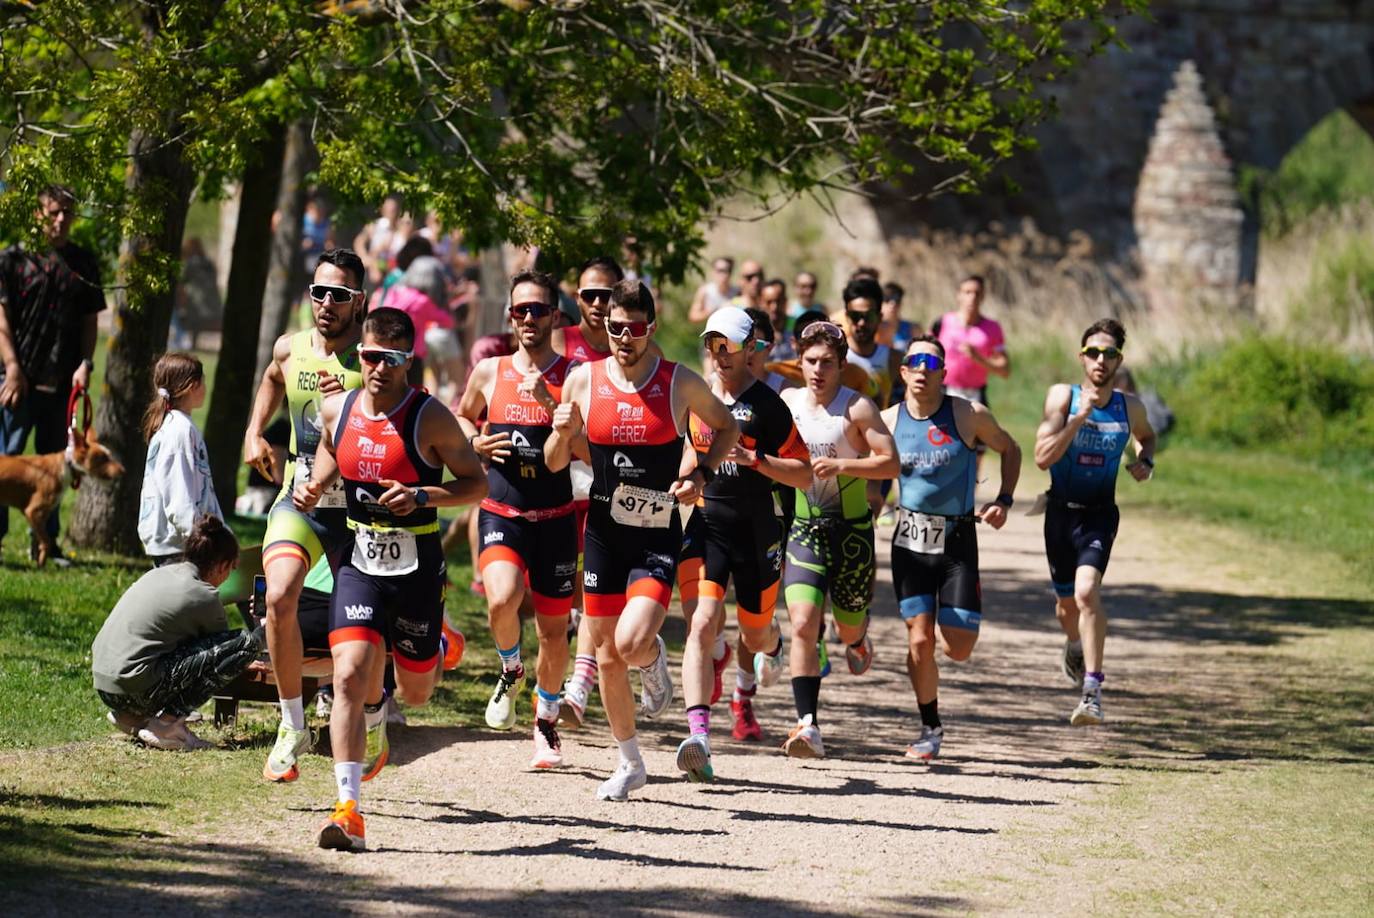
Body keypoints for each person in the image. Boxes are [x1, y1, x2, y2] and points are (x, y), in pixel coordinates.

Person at [295, 306, 487, 851]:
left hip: (417, 566)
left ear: (408, 361)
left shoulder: (430, 417)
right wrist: (316, 482)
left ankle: (410, 674)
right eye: (371, 356)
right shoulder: (339, 407)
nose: (378, 368)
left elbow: (477, 485)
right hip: (358, 559)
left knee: (418, 691)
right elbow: (335, 448)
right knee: (350, 674)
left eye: (392, 359)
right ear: (361, 354)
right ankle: (348, 809)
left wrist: (423, 495)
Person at [545, 280, 739, 801]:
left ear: (650, 329)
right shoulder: (583, 381)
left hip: (656, 530)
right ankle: (630, 762)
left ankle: (652, 663)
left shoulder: (678, 383)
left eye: (634, 329)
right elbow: (554, 463)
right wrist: (562, 431)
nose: (624, 338)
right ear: (604, 327)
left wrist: (700, 477)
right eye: (615, 328)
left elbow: (727, 428)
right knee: (606, 654)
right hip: (605, 532)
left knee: (630, 642)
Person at [242, 248, 365, 784]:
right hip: (299, 499)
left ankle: (376, 712)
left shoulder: (373, 362)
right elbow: (272, 377)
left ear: (359, 302)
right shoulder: (290, 349)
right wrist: (254, 431)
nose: (327, 303)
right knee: (277, 596)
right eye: (320, 292)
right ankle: (292, 723)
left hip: (358, 511)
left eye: (340, 295)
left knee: (361, 631)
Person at [675, 307, 811, 780]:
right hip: (708, 525)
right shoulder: (696, 397)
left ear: (749, 348)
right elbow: (690, 452)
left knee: (755, 634)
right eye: (712, 344)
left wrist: (756, 460)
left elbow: (806, 473)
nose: (719, 355)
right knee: (701, 625)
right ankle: (699, 737)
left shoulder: (769, 406)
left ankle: (771, 646)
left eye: (728, 345)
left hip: (757, 531)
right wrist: (688, 479)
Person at [456, 270, 578, 768]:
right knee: (501, 599)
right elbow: (463, 416)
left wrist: (554, 407)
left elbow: (582, 450)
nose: (528, 318)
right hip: (502, 509)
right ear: (509, 316)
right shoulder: (490, 370)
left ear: (555, 316)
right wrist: (474, 442)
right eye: (519, 310)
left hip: (555, 516)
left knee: (553, 632)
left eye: (538, 310)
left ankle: (545, 724)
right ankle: (510, 667)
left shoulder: (574, 375)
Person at [880, 336, 1021, 761]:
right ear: (902, 371)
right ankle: (930, 726)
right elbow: (868, 468)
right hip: (909, 539)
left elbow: (1010, 448)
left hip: (958, 541)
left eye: (932, 362)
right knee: (919, 641)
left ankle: (943, 634)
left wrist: (1004, 500)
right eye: (914, 361)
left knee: (958, 648)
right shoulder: (887, 421)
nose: (922, 369)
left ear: (944, 372)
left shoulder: (967, 414)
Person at [778, 321, 898, 758]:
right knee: (803, 624)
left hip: (851, 534)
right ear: (799, 360)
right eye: (810, 361)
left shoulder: (858, 408)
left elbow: (891, 464)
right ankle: (807, 725)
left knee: (847, 627)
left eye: (827, 362)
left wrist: (846, 467)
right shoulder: (787, 403)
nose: (818, 370)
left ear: (842, 364)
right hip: (804, 529)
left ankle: (857, 637)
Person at [1033, 318, 1156, 727]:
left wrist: (1145, 460)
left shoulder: (1129, 406)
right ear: (1081, 357)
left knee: (1087, 594)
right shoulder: (1061, 398)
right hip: (1059, 515)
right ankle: (1073, 644)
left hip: (1100, 515)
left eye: (1109, 354)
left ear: (1119, 359)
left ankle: (1092, 691)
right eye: (1093, 352)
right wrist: (1078, 417)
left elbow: (1147, 436)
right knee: (1066, 605)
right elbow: (1042, 457)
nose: (1100, 360)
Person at [0, 184, 104, 565]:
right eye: (54, 212)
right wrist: (12, 368)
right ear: (38, 214)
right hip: (17, 382)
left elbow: (91, 320)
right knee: (6, 461)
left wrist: (86, 363)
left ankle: (47, 543)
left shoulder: (83, 263)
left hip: (62, 384)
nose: (61, 219)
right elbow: (1, 320)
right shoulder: (12, 259)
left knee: (58, 469)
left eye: (67, 213)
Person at [93, 516, 261, 751]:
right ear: (223, 566)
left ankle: (131, 717)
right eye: (232, 569)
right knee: (246, 644)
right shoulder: (203, 595)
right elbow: (224, 658)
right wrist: (262, 626)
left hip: (105, 687)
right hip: (136, 689)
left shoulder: (158, 574)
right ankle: (167, 724)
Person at [138, 353, 221, 565]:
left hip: (179, 543)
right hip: (180, 546)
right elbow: (179, 496)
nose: (205, 387)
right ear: (193, 385)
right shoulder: (180, 431)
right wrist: (200, 539)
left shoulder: (178, 426)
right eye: (203, 381)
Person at [933, 275, 1010, 413]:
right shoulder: (942, 322)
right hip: (944, 391)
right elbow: (926, 352)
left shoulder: (992, 328)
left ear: (983, 297)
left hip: (976, 396)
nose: (972, 297)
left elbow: (1005, 370)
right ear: (959, 295)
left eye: (977, 293)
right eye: (967, 292)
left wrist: (978, 358)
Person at [840, 277, 900, 409]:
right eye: (855, 316)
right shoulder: (834, 359)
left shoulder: (894, 360)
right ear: (846, 317)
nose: (861, 323)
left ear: (879, 317)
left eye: (869, 316)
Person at [687, 256, 737, 323]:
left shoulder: (737, 292)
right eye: (720, 270)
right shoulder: (705, 291)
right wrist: (712, 311)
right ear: (713, 272)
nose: (724, 274)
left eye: (728, 270)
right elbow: (693, 316)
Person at [878, 282, 919, 353]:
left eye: (897, 300)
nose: (892, 304)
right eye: (887, 299)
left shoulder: (913, 329)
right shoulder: (875, 329)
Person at [759, 278, 795, 361]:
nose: (774, 307)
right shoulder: (756, 331)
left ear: (785, 301)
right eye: (769, 302)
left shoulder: (797, 327)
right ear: (761, 302)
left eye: (778, 301)